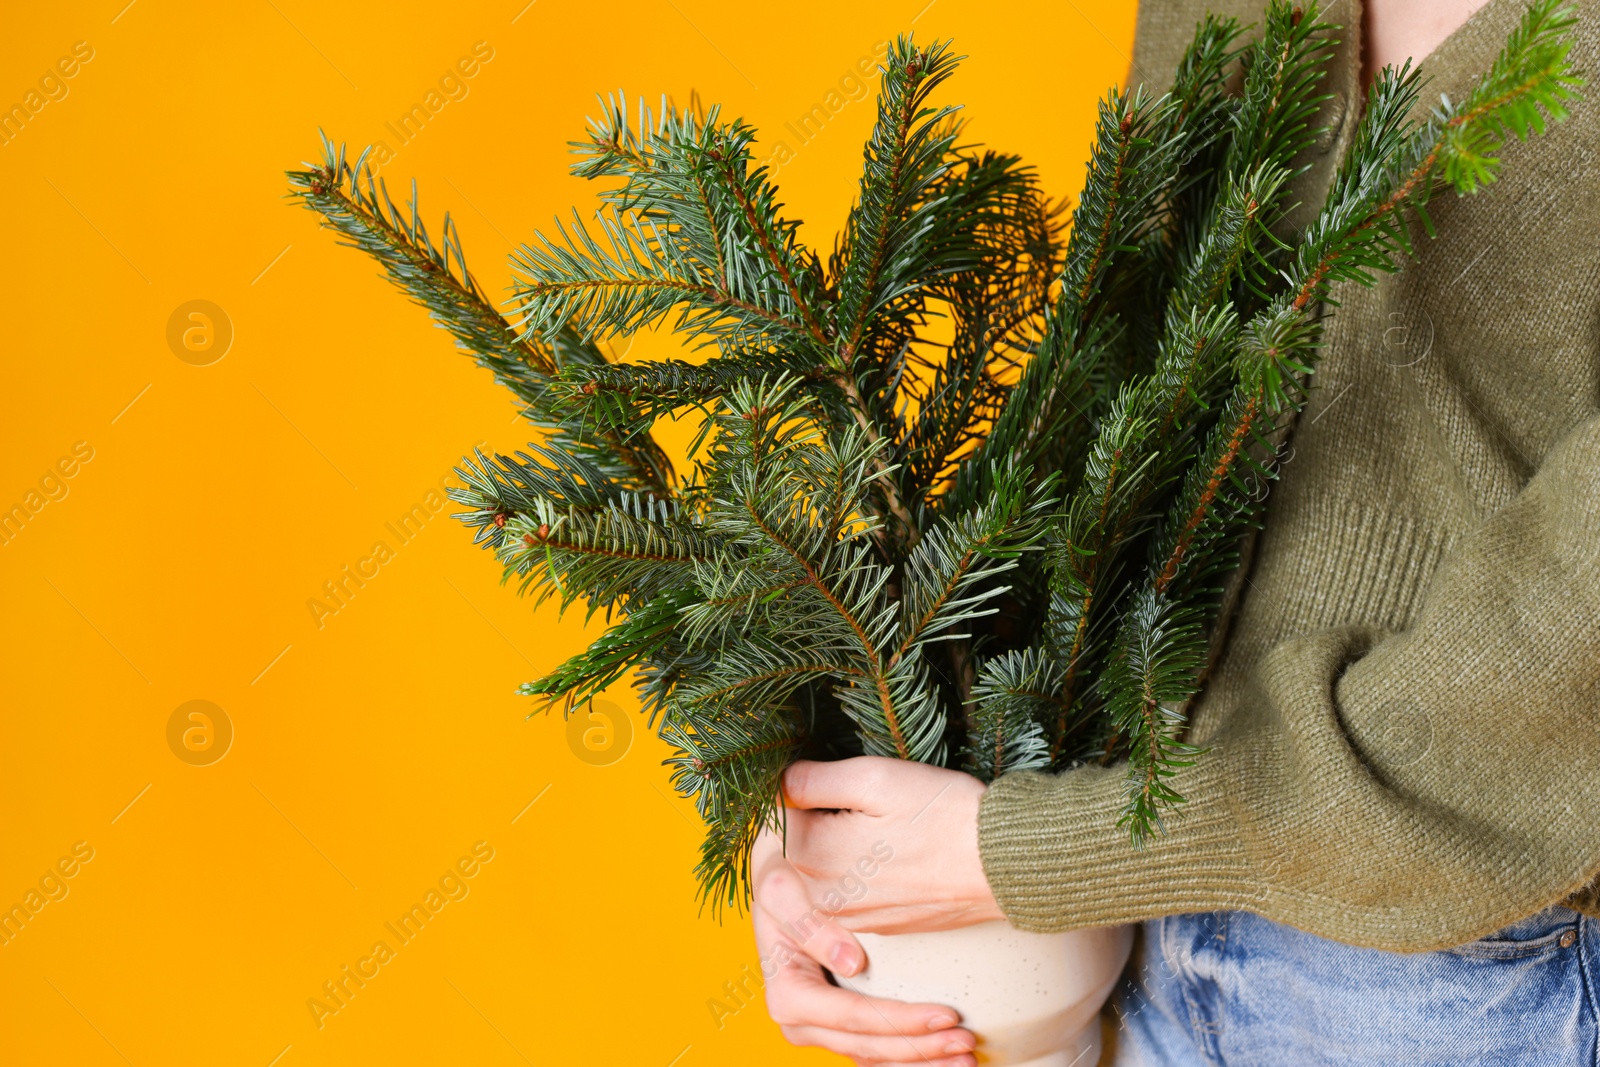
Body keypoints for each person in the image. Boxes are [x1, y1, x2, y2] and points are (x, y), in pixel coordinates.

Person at [749, 0, 1600, 1063]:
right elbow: (1119, 415)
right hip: (1114, 914)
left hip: (1454, 962)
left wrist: (1045, 849)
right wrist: (839, 841)